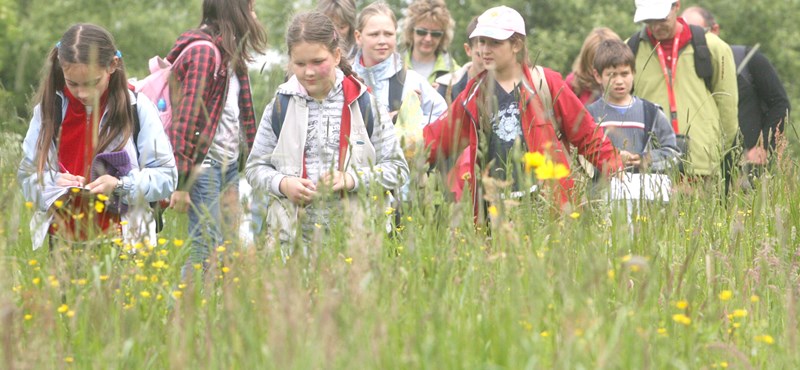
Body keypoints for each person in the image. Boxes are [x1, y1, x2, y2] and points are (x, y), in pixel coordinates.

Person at [423, 6, 623, 219]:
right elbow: (439, 139)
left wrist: (618, 172)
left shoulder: (545, 82)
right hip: (493, 209)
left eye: (495, 43)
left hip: (547, 207)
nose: (485, 49)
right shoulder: (473, 93)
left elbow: (587, 135)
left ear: (516, 45)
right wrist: (402, 151)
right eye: (481, 41)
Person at [245, 11, 409, 246]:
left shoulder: (364, 103)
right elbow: (254, 168)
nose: (308, 72)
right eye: (299, 64)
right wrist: (283, 183)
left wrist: (351, 179)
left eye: (317, 62)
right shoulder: (280, 105)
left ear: (336, 55)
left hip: (356, 242)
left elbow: (398, 168)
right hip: (292, 244)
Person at [18, 23, 177, 250]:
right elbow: (27, 176)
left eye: (93, 83)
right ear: (61, 69)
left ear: (112, 66)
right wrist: (52, 186)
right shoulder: (48, 111)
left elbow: (167, 177)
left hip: (124, 242)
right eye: (72, 83)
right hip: (62, 241)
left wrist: (121, 186)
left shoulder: (138, 108)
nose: (82, 93)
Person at [167, 0, 267, 273]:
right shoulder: (204, 53)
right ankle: (185, 310)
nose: (254, 13)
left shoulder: (231, 55)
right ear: (236, 10)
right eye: (251, 6)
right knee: (205, 245)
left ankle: (217, 311)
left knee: (228, 246)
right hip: (205, 166)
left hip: (229, 165)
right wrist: (182, 181)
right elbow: (186, 120)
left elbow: (241, 114)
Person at [629, 0, 738, 178]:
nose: (656, 27)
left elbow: (728, 107)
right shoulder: (631, 49)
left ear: (676, 6)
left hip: (701, 167)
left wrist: (715, 154)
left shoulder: (714, 47)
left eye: (661, 18)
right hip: (649, 166)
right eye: (649, 20)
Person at [681, 6, 790, 168]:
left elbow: (780, 104)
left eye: (700, 33)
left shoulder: (749, 60)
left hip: (747, 166)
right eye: (687, 36)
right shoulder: (681, 71)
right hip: (701, 165)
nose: (694, 40)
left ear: (715, 30)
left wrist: (763, 147)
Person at [587, 39, 680, 174]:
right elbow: (581, 158)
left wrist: (646, 159)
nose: (619, 81)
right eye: (611, 75)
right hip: (602, 192)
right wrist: (612, 157)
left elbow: (672, 152)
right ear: (598, 76)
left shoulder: (651, 112)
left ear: (633, 73)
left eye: (625, 74)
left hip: (646, 191)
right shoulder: (589, 114)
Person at [352, 1, 447, 124]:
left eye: (388, 34)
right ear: (358, 37)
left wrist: (407, 119)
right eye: (374, 34)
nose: (382, 40)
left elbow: (444, 117)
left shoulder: (412, 80)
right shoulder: (345, 79)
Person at [400, 0, 459, 85]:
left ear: (443, 36)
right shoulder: (394, 67)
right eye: (422, 32)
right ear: (411, 31)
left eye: (435, 34)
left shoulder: (455, 73)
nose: (428, 39)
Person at [566, 27, 622, 106]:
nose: (602, 67)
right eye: (596, 62)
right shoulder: (574, 84)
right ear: (587, 60)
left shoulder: (625, 81)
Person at [435, 16, 485, 103]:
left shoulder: (509, 86)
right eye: (480, 54)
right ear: (468, 50)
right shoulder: (445, 86)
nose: (488, 60)